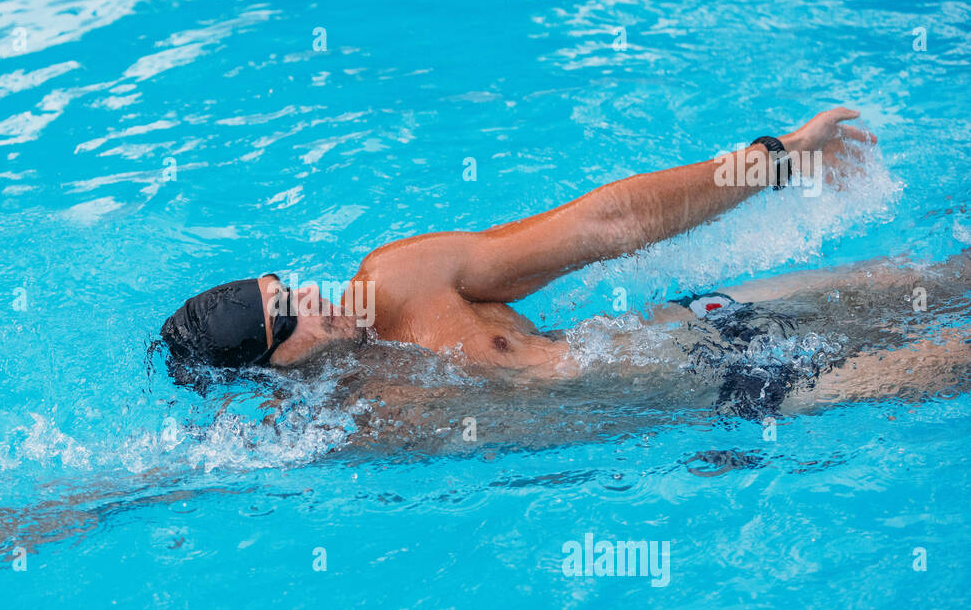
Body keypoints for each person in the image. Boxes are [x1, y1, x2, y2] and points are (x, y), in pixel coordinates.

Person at [159, 107, 970, 415]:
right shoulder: (341, 430)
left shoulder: (401, 282)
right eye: (287, 318)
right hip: (732, 392)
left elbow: (602, 224)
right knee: (950, 364)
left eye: (289, 286)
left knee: (933, 282)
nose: (315, 300)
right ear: (265, 371)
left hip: (693, 323)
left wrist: (777, 158)